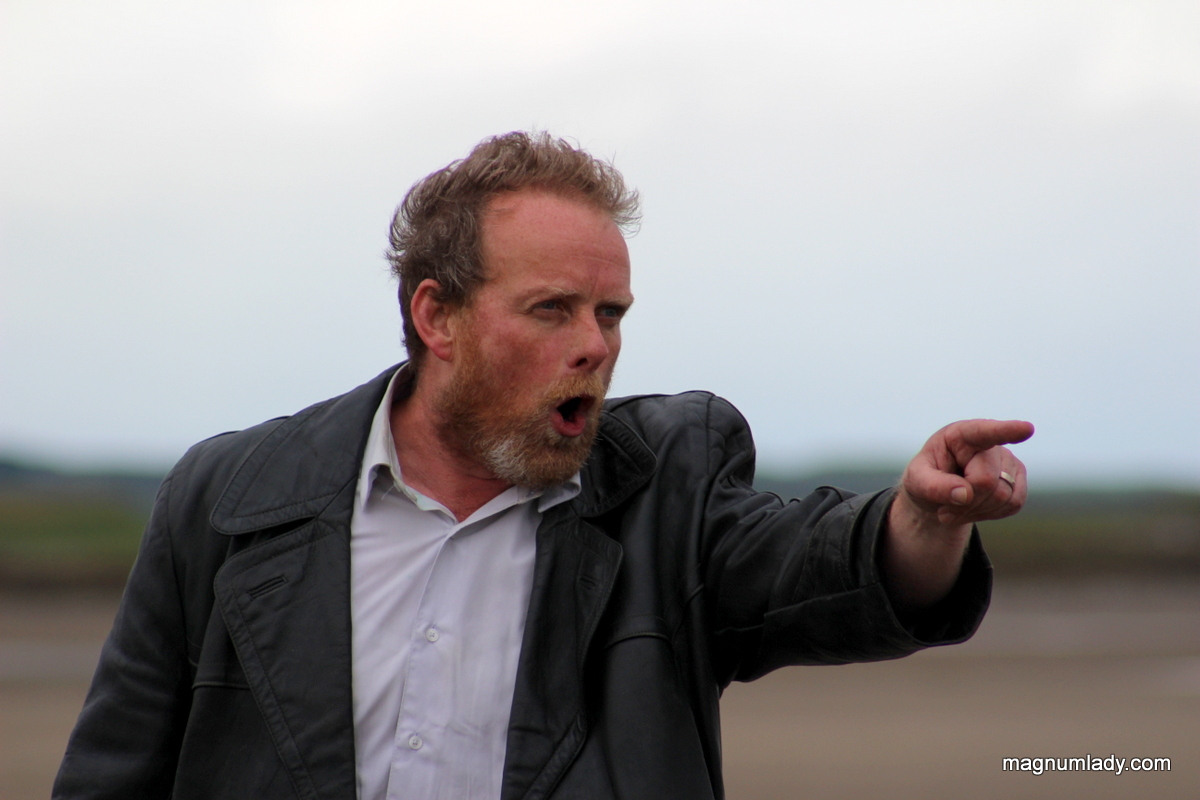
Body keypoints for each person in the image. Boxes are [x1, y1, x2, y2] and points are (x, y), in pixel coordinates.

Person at [54, 132, 1033, 800]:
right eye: (551, 309)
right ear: (437, 316)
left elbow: (816, 566)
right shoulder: (227, 500)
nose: (596, 345)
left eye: (610, 314)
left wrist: (921, 519)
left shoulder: (664, 497)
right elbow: (112, 773)